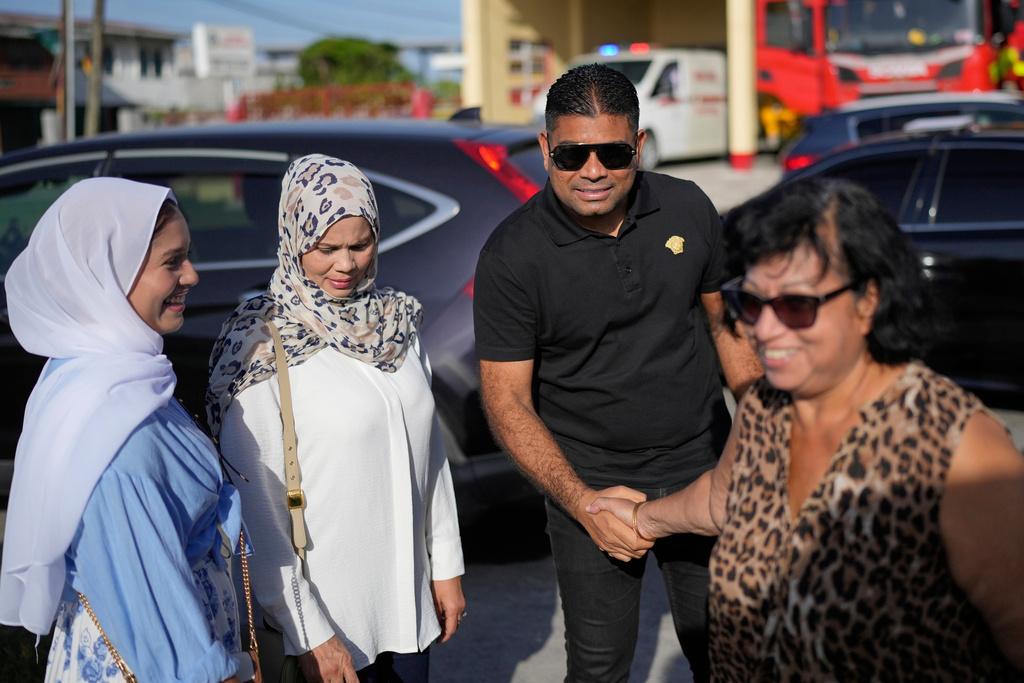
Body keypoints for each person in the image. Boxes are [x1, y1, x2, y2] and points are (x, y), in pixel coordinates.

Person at [589, 177, 1024, 680]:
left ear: (868, 300)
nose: (765, 331)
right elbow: (723, 501)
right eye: (750, 303)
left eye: (797, 305)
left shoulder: (957, 447)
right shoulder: (766, 406)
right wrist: (643, 519)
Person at [472, 63, 762, 683]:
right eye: (573, 154)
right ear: (547, 148)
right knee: (600, 669)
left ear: (639, 144)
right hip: (590, 479)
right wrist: (581, 502)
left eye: (613, 151)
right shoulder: (511, 255)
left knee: (732, 655)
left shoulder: (688, 206)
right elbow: (506, 401)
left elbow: (725, 327)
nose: (594, 170)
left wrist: (768, 433)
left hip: (702, 465)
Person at [207, 154, 465, 683]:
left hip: (408, 610)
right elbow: (258, 515)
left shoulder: (396, 323)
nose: (345, 265)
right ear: (293, 237)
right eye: (325, 248)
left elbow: (429, 455)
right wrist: (309, 633)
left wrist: (446, 564)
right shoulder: (261, 343)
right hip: (327, 628)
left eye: (359, 244)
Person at [0, 178, 254, 683]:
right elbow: (165, 638)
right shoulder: (119, 439)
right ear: (108, 274)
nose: (193, 275)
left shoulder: (97, 375)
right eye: (171, 262)